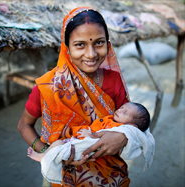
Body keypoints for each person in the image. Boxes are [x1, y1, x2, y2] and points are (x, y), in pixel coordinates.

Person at [18, 6, 154, 187]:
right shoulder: (48, 86)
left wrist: (123, 138)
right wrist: (50, 153)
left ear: (108, 42)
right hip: (63, 175)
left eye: (99, 42)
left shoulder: (114, 80)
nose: (91, 54)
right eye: (80, 44)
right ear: (67, 47)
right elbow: (24, 125)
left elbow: (133, 122)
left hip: (110, 176)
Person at [27, 101, 150, 163]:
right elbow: (24, 125)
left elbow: (101, 138)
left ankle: (43, 157)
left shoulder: (118, 129)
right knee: (57, 144)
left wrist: (89, 136)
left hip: (85, 147)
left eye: (125, 113)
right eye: (122, 107)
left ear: (131, 125)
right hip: (77, 139)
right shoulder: (113, 120)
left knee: (59, 147)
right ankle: (44, 156)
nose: (120, 110)